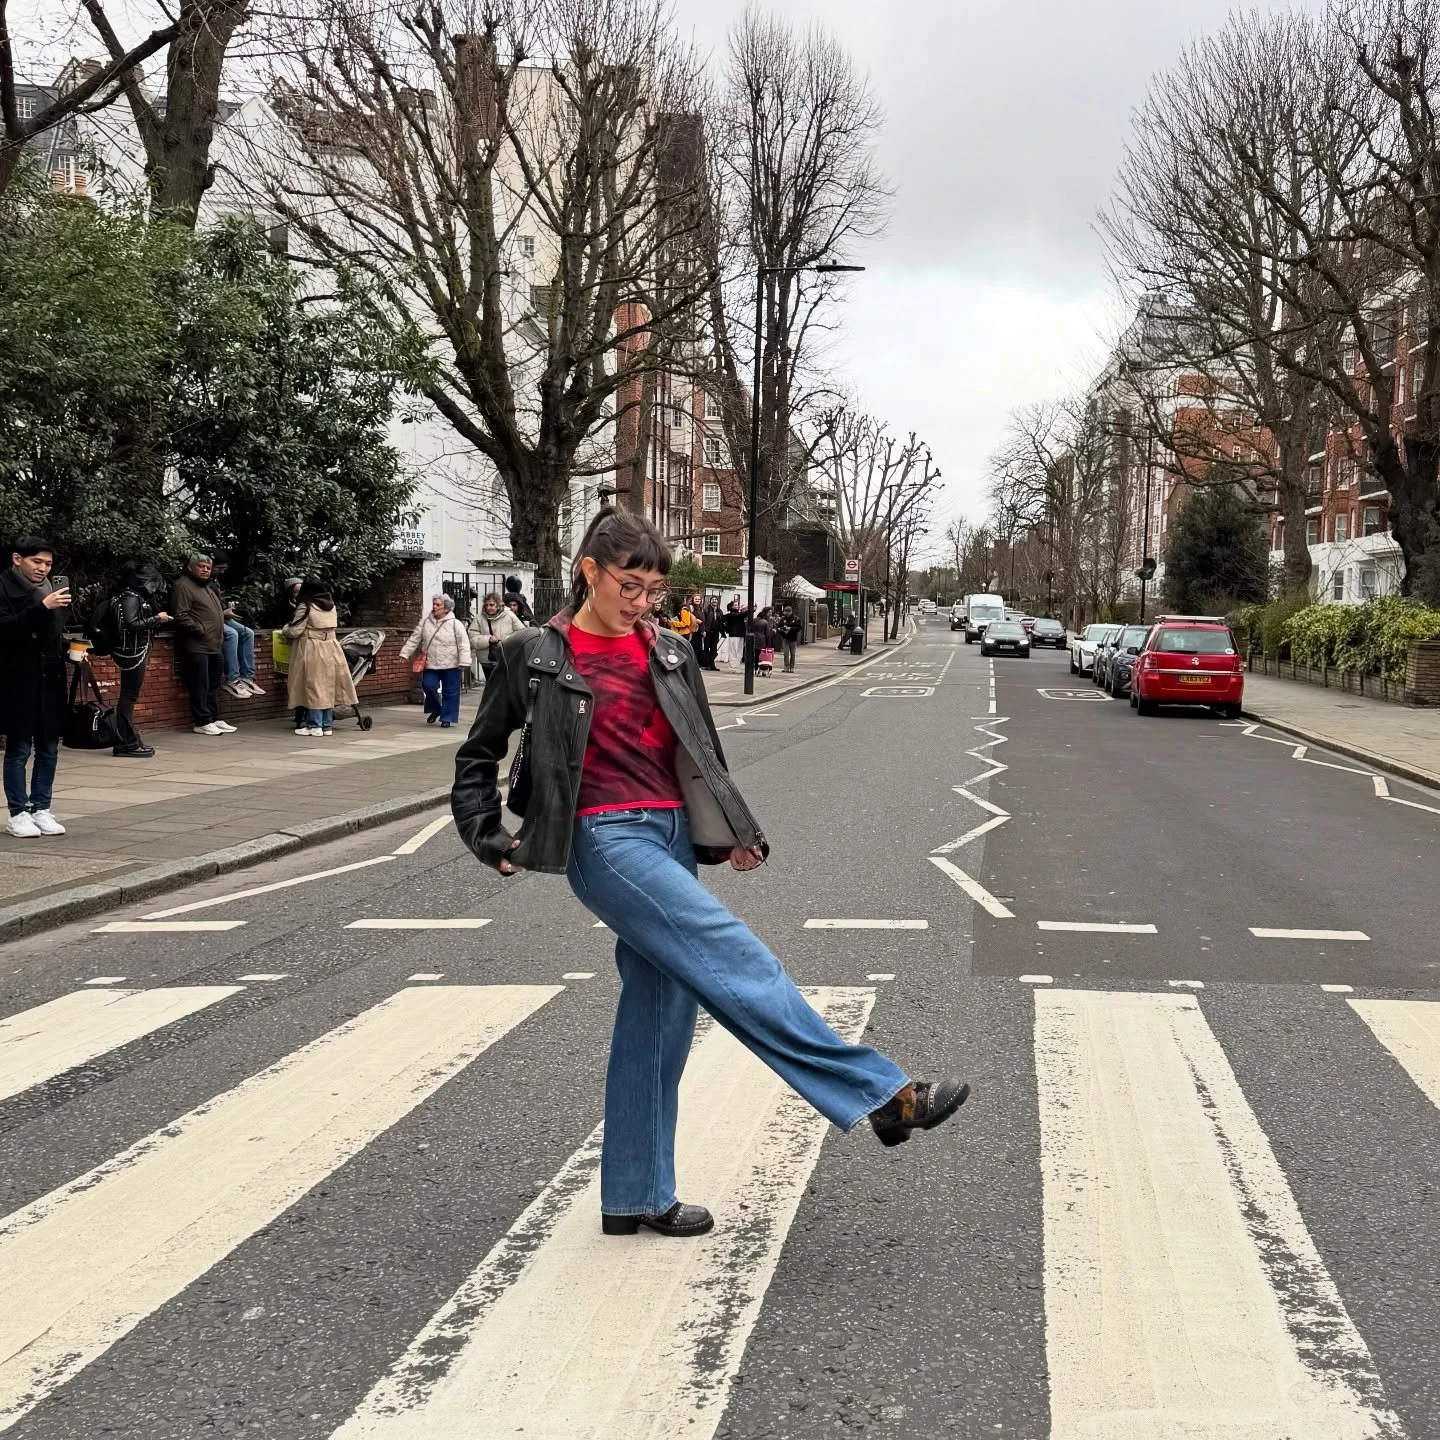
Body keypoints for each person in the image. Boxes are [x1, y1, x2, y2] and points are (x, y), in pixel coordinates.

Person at [451, 509, 968, 1239]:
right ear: (589, 571)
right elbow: (478, 754)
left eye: (653, 590)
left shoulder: (667, 652)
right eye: (628, 585)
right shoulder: (535, 653)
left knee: (659, 1016)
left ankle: (635, 1195)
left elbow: (699, 751)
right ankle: (880, 1093)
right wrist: (486, 833)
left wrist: (733, 833)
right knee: (735, 957)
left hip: (667, 833)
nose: (641, 602)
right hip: (600, 838)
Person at [0, 537, 70, 838]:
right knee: (19, 747)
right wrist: (42, 607)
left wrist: (73, 650)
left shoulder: (50, 589)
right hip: (17, 678)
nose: (43, 569)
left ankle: (41, 807)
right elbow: (5, 630)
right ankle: (18, 812)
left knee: (48, 747)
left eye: (48, 564)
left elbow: (52, 634)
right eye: (36, 562)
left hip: (49, 676)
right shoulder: (3, 587)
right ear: (18, 559)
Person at [108, 562, 170, 759]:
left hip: (131, 650)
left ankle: (126, 740)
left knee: (128, 696)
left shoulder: (127, 596)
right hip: (132, 652)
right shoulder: (130, 597)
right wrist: (157, 619)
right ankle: (126, 741)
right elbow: (132, 624)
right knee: (128, 696)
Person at [282, 580, 357, 736]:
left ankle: (314, 725)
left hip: (312, 648)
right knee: (328, 686)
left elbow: (295, 631)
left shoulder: (306, 606)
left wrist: (285, 629)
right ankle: (326, 725)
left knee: (313, 686)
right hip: (332, 647)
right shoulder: (331, 606)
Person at [171, 555, 234, 736]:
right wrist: (200, 630)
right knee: (200, 685)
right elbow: (181, 615)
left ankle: (214, 717)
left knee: (214, 684)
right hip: (196, 645)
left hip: (214, 644)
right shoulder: (183, 586)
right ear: (191, 568)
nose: (205, 569)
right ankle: (202, 721)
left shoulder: (206, 586)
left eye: (208, 567)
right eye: (201, 566)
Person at [399, 593, 472, 727]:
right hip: (431, 663)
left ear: (446, 608)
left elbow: (463, 643)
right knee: (428, 686)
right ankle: (436, 709)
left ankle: (447, 718)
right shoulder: (426, 622)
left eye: (438, 605)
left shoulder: (455, 624)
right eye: (434, 604)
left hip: (452, 664)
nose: (434, 607)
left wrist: (465, 661)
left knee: (450, 692)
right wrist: (405, 653)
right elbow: (415, 638)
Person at [212, 557, 264, 698]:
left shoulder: (215, 580)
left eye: (224, 569)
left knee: (248, 633)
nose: (222, 571)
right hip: (213, 620)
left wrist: (227, 608)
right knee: (232, 634)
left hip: (222, 616)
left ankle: (247, 676)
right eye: (220, 568)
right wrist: (223, 613)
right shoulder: (202, 582)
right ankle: (232, 678)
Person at [471, 591, 525, 682]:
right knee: (491, 686)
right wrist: (487, 639)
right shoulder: (479, 618)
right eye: (486, 605)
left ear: (498, 605)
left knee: (505, 686)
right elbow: (472, 637)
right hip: (486, 660)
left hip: (506, 658)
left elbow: (522, 633)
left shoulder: (509, 615)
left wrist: (507, 640)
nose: (488, 607)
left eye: (491, 605)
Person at [719, 599, 746, 670]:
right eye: (735, 605)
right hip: (734, 634)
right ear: (732, 607)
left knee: (739, 651)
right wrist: (726, 629)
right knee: (733, 650)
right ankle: (732, 666)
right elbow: (721, 621)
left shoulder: (739, 614)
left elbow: (743, 614)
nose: (737, 606)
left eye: (737, 605)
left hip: (740, 634)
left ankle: (736, 665)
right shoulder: (731, 615)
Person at [750, 606, 775, 677]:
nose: (770, 614)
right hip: (762, 641)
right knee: (764, 656)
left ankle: (756, 669)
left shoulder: (754, 620)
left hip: (754, 640)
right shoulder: (765, 622)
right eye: (769, 612)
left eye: (771, 612)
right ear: (766, 613)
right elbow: (768, 634)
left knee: (757, 656)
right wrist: (773, 632)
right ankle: (764, 670)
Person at [776, 605, 802, 673]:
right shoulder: (783, 619)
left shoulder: (796, 619)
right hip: (785, 638)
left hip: (793, 639)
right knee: (786, 654)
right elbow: (778, 627)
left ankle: (792, 667)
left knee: (793, 654)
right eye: (785, 612)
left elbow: (799, 628)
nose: (785, 614)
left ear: (790, 612)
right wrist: (781, 630)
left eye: (787, 612)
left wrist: (790, 628)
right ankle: (786, 667)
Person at [700, 599, 722, 670]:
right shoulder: (706, 610)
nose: (714, 601)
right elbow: (704, 620)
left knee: (714, 649)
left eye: (716, 599)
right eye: (713, 600)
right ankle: (706, 664)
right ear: (710, 601)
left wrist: (722, 631)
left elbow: (721, 621)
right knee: (706, 648)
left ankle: (712, 664)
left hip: (716, 632)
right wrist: (704, 630)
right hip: (708, 632)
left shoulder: (719, 611)